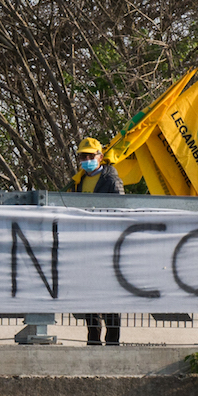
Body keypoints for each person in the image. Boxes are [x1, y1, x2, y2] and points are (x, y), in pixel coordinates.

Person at [69, 137, 123, 347]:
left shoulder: (111, 180)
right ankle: (93, 340)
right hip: (86, 245)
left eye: (90, 156)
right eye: (83, 156)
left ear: (100, 157)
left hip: (107, 245)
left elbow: (119, 211)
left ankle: (112, 342)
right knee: (89, 296)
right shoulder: (78, 181)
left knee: (110, 296)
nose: (86, 160)